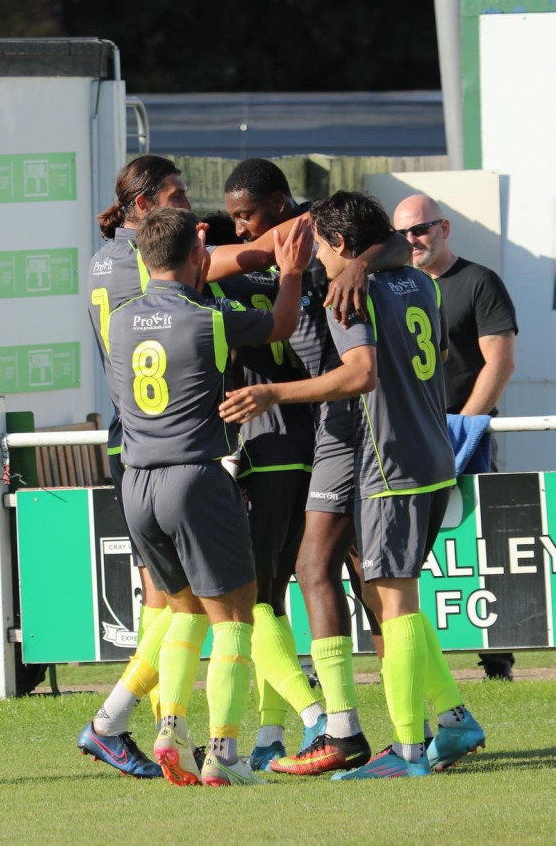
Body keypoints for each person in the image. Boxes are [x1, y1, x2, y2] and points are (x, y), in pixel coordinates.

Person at [77, 155, 371, 777]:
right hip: (191, 461)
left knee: (176, 608)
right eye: (179, 197)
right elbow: (269, 281)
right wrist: (307, 244)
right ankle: (244, 743)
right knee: (240, 607)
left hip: (134, 456)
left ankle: (130, 722)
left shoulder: (107, 277)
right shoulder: (200, 308)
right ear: (145, 210)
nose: (192, 210)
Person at [221, 191, 485, 779]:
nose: (293, 240)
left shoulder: (349, 284)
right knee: (349, 576)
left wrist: (270, 392)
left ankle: (392, 741)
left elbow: (361, 372)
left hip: (374, 444)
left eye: (307, 235)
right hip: (402, 444)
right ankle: (413, 721)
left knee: (380, 589)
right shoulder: (414, 279)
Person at [109, 206, 310, 787]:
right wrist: (291, 272)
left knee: (182, 611)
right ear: (199, 256)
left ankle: (171, 728)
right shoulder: (209, 317)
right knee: (235, 618)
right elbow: (279, 325)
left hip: (137, 482)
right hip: (193, 476)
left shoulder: (120, 320)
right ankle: (224, 753)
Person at [221, 159, 409, 773]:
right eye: (231, 220)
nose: (240, 228)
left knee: (284, 591)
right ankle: (288, 732)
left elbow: (390, 240)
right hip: (314, 435)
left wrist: (354, 260)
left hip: (308, 437)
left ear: (281, 206)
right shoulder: (251, 260)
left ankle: (328, 725)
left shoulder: (320, 251)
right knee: (320, 583)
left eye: (247, 215)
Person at [394, 194, 519, 681]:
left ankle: (497, 659)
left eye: (420, 229)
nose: (412, 240)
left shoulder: (479, 281)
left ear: (444, 228)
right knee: (409, 555)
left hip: (463, 441)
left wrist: (461, 428)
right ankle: (412, 656)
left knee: (477, 547)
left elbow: (501, 364)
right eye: (402, 232)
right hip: (406, 442)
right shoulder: (391, 285)